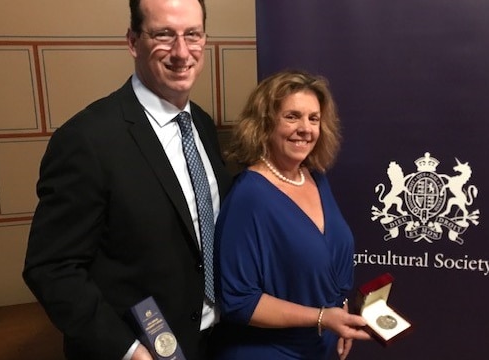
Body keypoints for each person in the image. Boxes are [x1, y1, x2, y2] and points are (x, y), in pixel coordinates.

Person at [22, 1, 232, 359]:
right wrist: (129, 350)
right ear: (133, 41)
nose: (182, 52)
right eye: (164, 34)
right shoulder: (87, 139)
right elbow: (51, 269)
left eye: (192, 35)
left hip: (212, 340)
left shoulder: (203, 125)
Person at [213, 70, 372, 360]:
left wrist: (340, 315)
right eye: (292, 117)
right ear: (265, 123)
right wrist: (324, 317)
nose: (305, 128)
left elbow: (325, 275)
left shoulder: (315, 178)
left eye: (313, 118)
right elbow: (239, 302)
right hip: (268, 353)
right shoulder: (249, 196)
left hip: (321, 347)